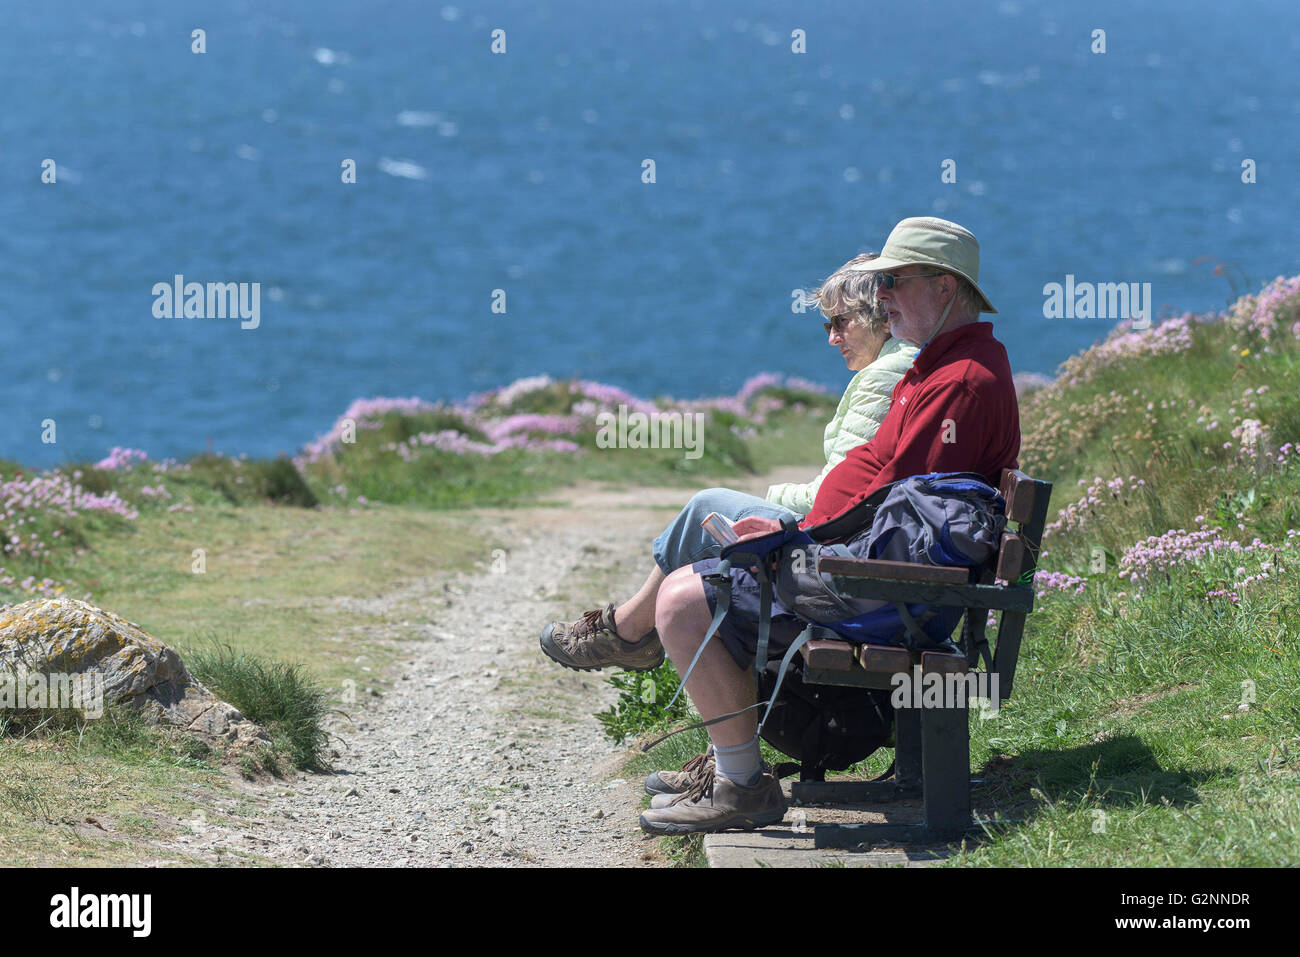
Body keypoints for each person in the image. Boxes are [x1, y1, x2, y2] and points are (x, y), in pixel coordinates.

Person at [637, 217, 1022, 834]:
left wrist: (799, 547)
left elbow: (902, 514)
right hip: (891, 583)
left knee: (683, 599)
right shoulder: (944, 368)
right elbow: (887, 491)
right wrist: (791, 534)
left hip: (898, 597)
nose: (885, 296)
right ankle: (728, 765)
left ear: (945, 288)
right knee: (701, 575)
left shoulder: (960, 385)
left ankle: (741, 788)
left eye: (895, 281)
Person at [538, 252, 919, 673]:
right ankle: (629, 633)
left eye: (841, 322)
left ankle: (627, 635)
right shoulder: (898, 364)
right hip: (863, 543)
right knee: (714, 512)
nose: (831, 337)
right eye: (826, 324)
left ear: (879, 316)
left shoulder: (882, 377)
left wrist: (770, 497)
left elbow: (834, 497)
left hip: (836, 547)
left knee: (708, 506)